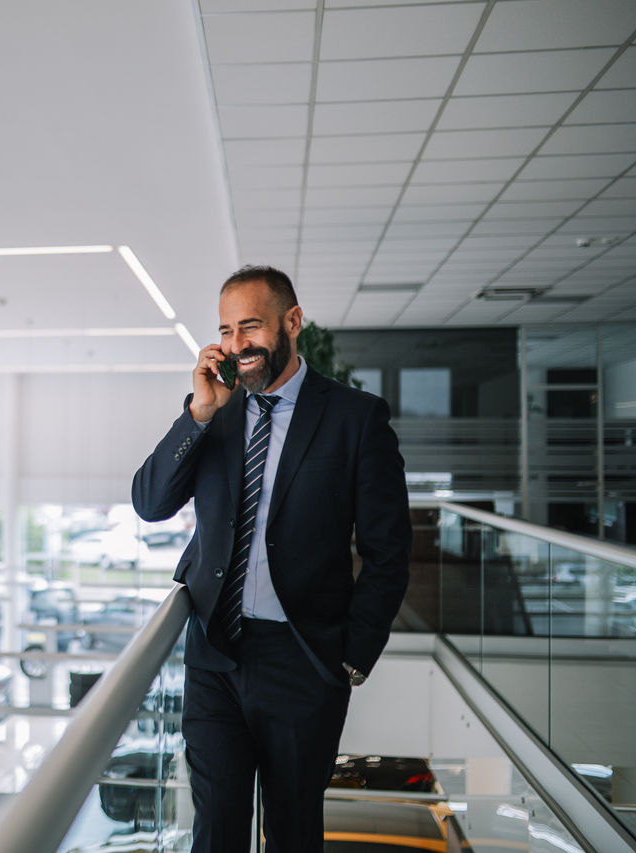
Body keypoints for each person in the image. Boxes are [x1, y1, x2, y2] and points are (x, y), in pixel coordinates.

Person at [132, 265, 410, 852]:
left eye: (250, 328)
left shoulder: (355, 419)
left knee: (291, 831)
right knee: (216, 832)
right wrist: (198, 415)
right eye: (227, 331)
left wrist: (353, 657)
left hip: (304, 660)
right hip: (214, 658)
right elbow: (150, 503)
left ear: (292, 322)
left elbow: (389, 551)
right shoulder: (215, 409)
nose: (237, 346)